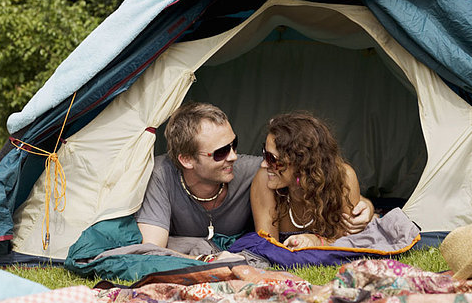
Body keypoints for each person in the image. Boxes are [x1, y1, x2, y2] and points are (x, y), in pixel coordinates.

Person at [136, 102, 372, 249]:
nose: (233, 157)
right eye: (220, 152)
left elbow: (346, 232)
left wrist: (367, 206)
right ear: (186, 160)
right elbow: (150, 249)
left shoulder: (254, 171)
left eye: (234, 144)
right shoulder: (161, 175)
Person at [251, 111, 365, 248]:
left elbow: (351, 242)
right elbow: (268, 247)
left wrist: (317, 241)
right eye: (265, 154)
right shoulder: (264, 179)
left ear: (302, 163)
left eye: (272, 159)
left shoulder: (343, 177)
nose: (264, 164)